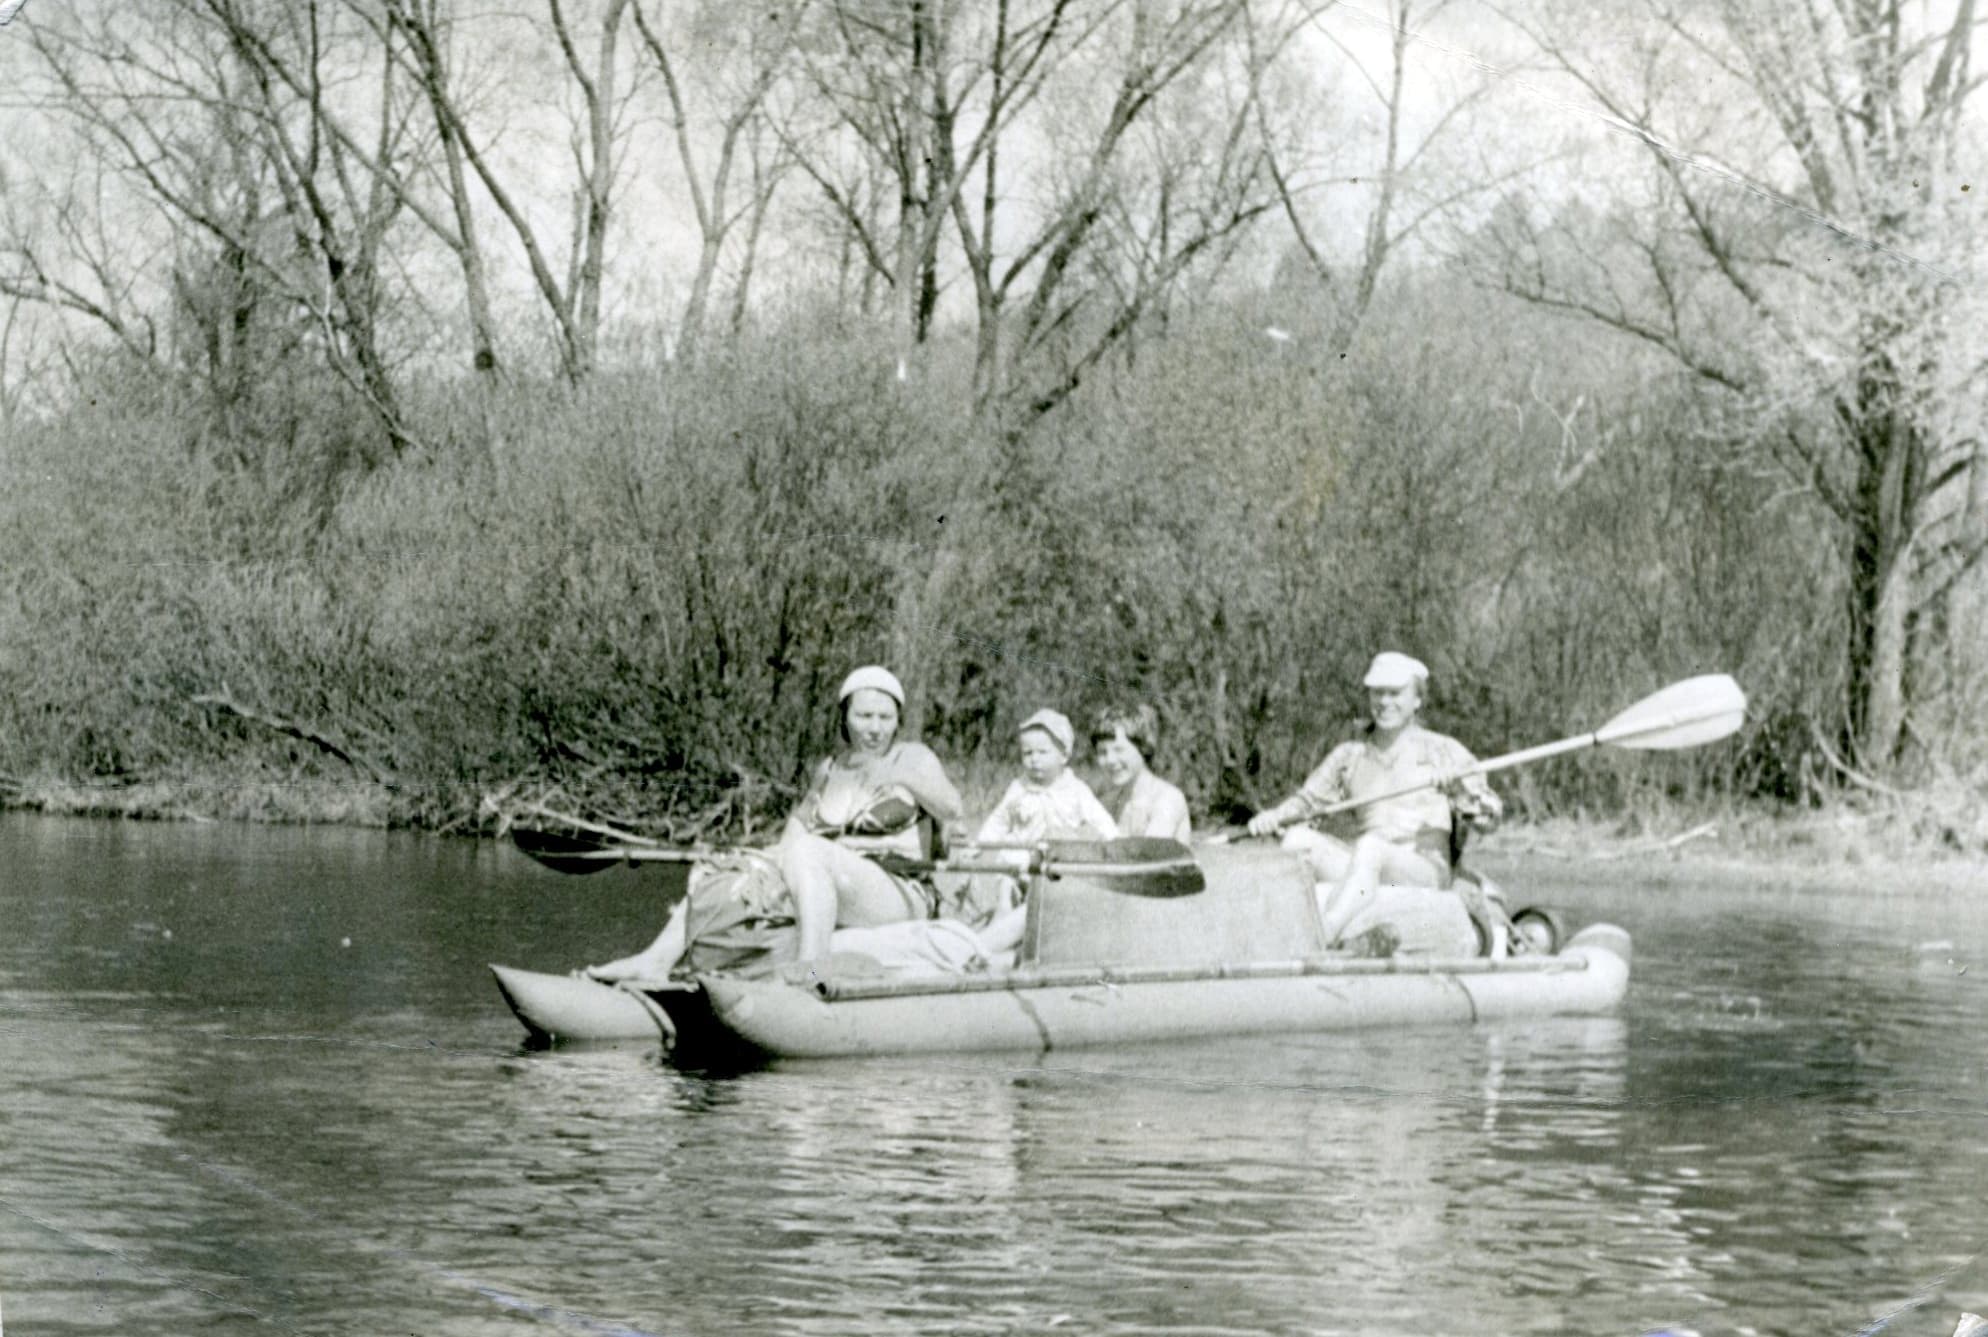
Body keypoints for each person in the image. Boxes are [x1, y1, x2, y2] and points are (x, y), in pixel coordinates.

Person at [582, 665, 963, 983]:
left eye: (885, 717)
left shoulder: (913, 757)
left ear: (898, 721)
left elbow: (951, 807)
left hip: (898, 892)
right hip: (833, 880)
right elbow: (791, 841)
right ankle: (656, 960)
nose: (875, 728)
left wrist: (906, 779)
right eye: (864, 716)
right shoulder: (829, 770)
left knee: (812, 852)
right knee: (734, 865)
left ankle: (809, 968)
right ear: (845, 718)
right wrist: (748, 863)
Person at [1244, 652, 1501, 948]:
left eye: (1395, 694)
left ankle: (1323, 936)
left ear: (1417, 700)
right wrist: (1273, 818)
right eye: (1378, 693)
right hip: (1365, 868)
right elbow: (1303, 805)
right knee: (1296, 841)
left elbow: (1490, 819)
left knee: (1371, 846)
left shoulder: (1442, 751)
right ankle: (1266, 937)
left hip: (1423, 871)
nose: (1384, 702)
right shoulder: (1349, 757)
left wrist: (1458, 790)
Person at [976, 708, 1118, 845]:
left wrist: (1115, 841)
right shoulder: (1019, 788)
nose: (1034, 759)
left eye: (1042, 752)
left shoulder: (1076, 790)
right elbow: (998, 821)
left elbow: (1100, 820)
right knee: (1010, 855)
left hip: (1062, 854)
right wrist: (979, 845)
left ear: (1064, 756)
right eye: (1027, 753)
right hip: (1025, 851)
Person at [1089, 703, 1192, 844]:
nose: (1110, 760)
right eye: (1102, 752)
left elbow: (1148, 857)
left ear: (1144, 748)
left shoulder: (1167, 799)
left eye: (1119, 750)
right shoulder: (1108, 803)